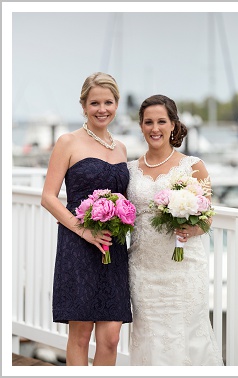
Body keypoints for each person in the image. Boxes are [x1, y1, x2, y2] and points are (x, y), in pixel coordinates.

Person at [125, 94, 223, 365]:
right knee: (150, 338)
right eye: (148, 122)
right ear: (141, 126)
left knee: (187, 335)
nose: (154, 128)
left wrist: (193, 230)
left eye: (161, 121)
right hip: (143, 270)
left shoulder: (193, 166)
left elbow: (207, 217)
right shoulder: (130, 170)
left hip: (183, 269)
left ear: (172, 125)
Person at [41, 72, 131, 366]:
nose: (101, 109)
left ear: (116, 104)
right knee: (80, 336)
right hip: (78, 244)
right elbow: (49, 197)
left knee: (111, 338)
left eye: (108, 102)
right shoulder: (68, 142)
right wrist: (83, 231)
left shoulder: (121, 148)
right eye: (94, 103)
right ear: (83, 105)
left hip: (113, 246)